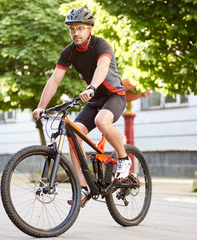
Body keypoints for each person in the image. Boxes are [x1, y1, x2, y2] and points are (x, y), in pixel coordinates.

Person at [33, 8, 131, 205]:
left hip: (114, 96)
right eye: (72, 29)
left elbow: (103, 67)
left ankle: (123, 159)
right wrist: (41, 106)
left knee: (101, 120)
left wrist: (92, 87)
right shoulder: (69, 52)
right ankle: (83, 187)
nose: (75, 33)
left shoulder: (101, 45)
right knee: (73, 135)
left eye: (80, 28)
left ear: (90, 29)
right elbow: (55, 80)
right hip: (94, 100)